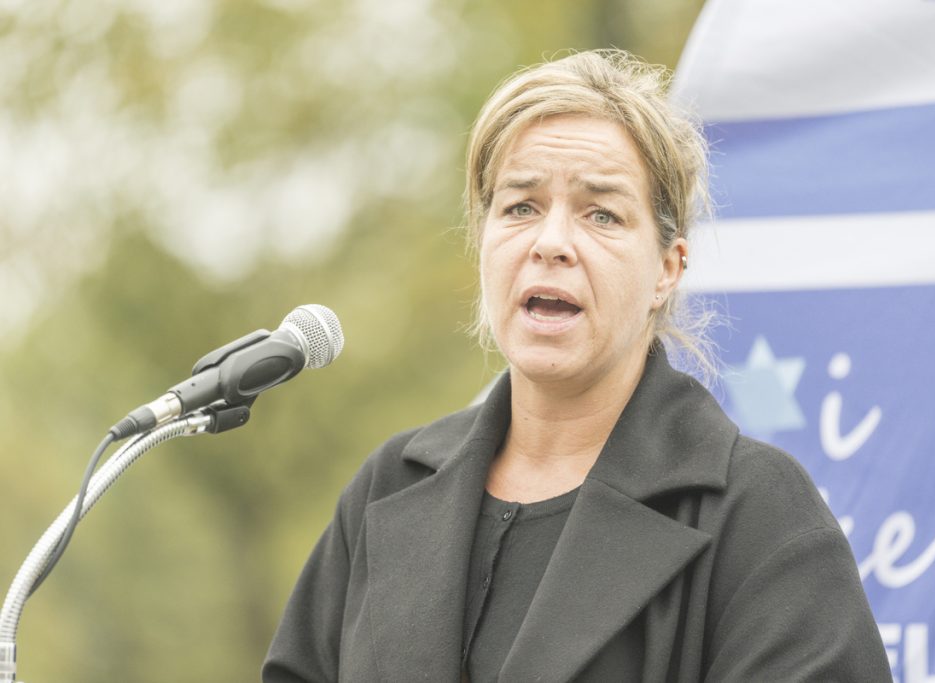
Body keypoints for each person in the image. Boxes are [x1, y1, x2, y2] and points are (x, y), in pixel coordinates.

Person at [263, 50, 890, 682]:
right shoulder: (390, 486)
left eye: (601, 214)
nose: (551, 243)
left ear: (666, 270)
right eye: (521, 207)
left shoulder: (758, 513)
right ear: (482, 241)